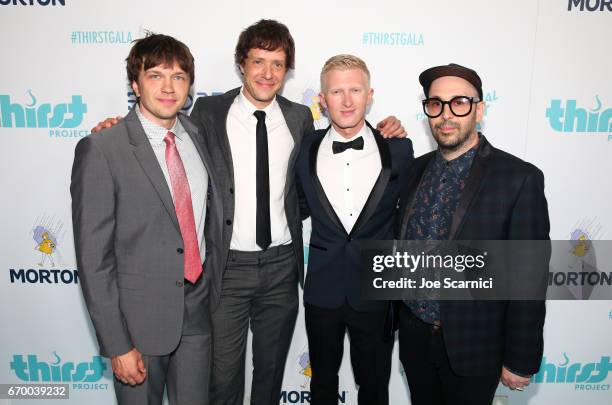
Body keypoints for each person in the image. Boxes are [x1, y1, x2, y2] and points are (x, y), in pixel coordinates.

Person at [92, 20, 405, 405]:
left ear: (287, 71)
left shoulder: (299, 118)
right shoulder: (207, 112)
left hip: (280, 269)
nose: (267, 73)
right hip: (227, 269)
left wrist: (390, 127)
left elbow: (313, 186)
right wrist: (114, 128)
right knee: (222, 380)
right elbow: (158, 130)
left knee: (271, 376)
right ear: (242, 64)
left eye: (277, 64)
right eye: (258, 61)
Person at [71, 33, 222, 405]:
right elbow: (94, 259)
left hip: (197, 312)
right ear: (135, 84)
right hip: (137, 323)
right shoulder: (103, 148)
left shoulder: (197, 135)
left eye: (178, 77)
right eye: (156, 76)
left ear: (189, 86)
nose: (169, 88)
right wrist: (117, 344)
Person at [395, 63, 550, 405]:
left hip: (475, 346)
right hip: (415, 339)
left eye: (459, 103)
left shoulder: (518, 178)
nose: (446, 114)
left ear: (479, 109)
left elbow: (529, 277)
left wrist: (520, 358)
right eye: (436, 104)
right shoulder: (415, 169)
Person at [295, 55, 414, 405]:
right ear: (322, 99)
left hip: (376, 288)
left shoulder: (400, 149)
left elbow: (409, 217)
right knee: (322, 387)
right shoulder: (305, 149)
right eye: (336, 91)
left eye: (355, 90)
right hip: (323, 287)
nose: (346, 101)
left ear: (370, 95)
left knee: (375, 387)